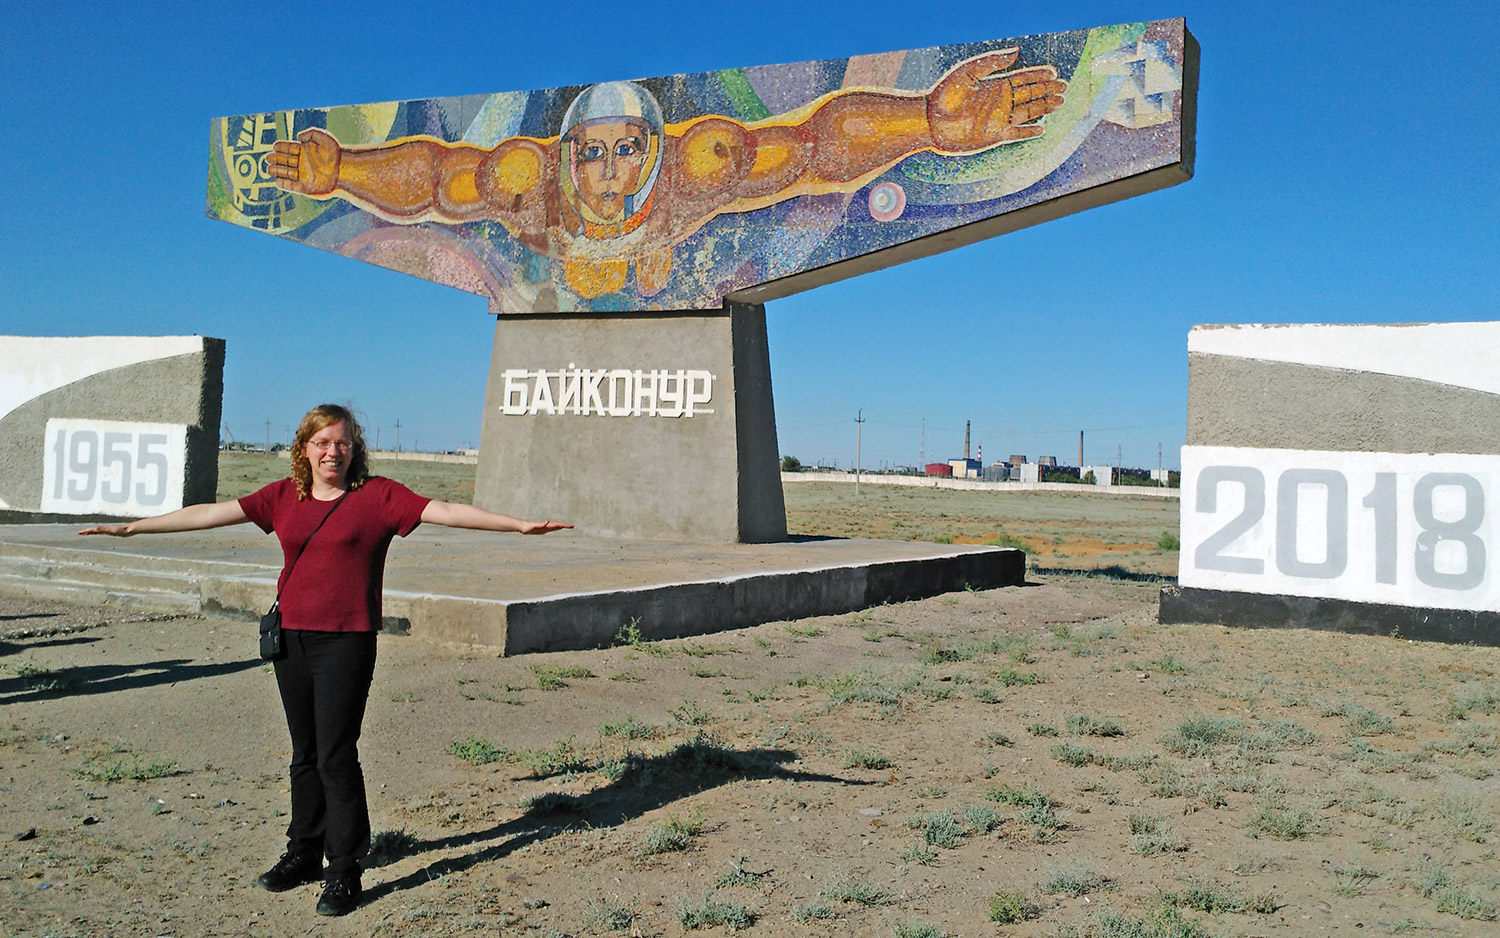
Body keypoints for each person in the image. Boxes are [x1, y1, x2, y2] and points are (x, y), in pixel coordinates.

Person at [79, 404, 569, 917]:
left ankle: (344, 869)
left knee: (336, 755)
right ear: (304, 449)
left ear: (354, 449)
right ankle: (304, 851)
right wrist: (133, 528)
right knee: (304, 753)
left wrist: (517, 525)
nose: (332, 452)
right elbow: (208, 513)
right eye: (322, 443)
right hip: (291, 639)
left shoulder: (378, 496)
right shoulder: (283, 496)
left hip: (347, 642)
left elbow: (443, 509)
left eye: (342, 443)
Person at [266, 50, 1067, 297]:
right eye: (590, 151)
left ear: (655, 153)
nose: (606, 171)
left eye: (625, 150)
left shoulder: (699, 165)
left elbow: (818, 145)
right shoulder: (528, 177)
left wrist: (928, 121)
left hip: (663, 258)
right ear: (567, 152)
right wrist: (339, 169)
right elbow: (439, 176)